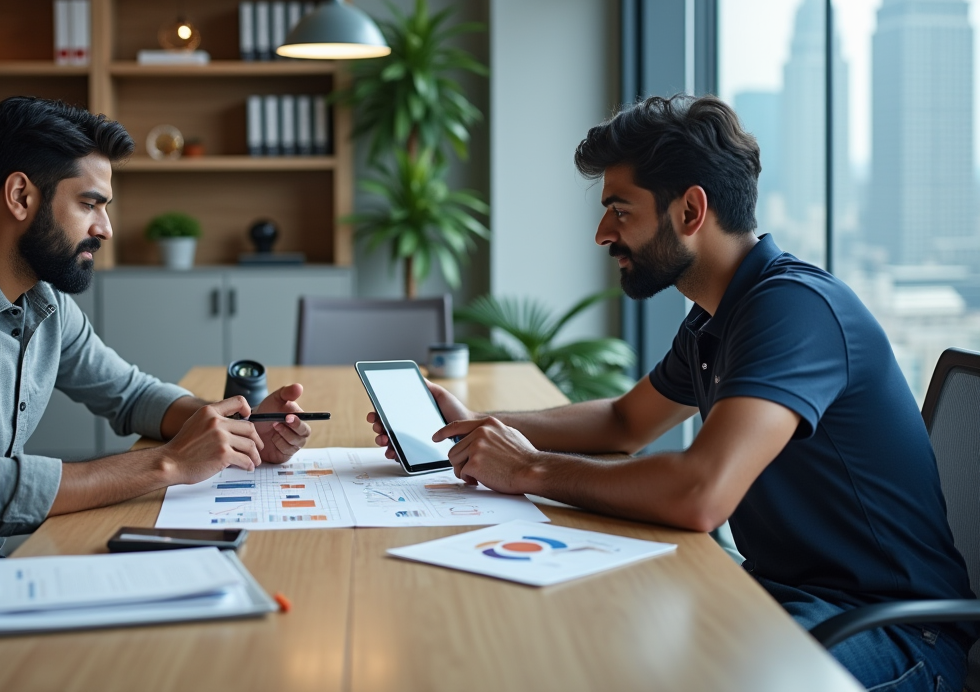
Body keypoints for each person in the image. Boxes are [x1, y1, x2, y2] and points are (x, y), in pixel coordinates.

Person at [371, 95, 976, 691]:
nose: (603, 233)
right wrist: (477, 422)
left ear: (691, 210)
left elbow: (701, 494)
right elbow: (622, 422)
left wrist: (527, 467)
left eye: (620, 210)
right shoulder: (718, 316)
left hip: (893, 637)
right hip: (786, 599)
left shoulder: (794, 310)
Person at [0, 97, 312, 691]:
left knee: (152, 644)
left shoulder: (45, 303)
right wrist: (168, 463)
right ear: (20, 196)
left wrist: (234, 425)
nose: (106, 228)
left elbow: (130, 393)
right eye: (89, 204)